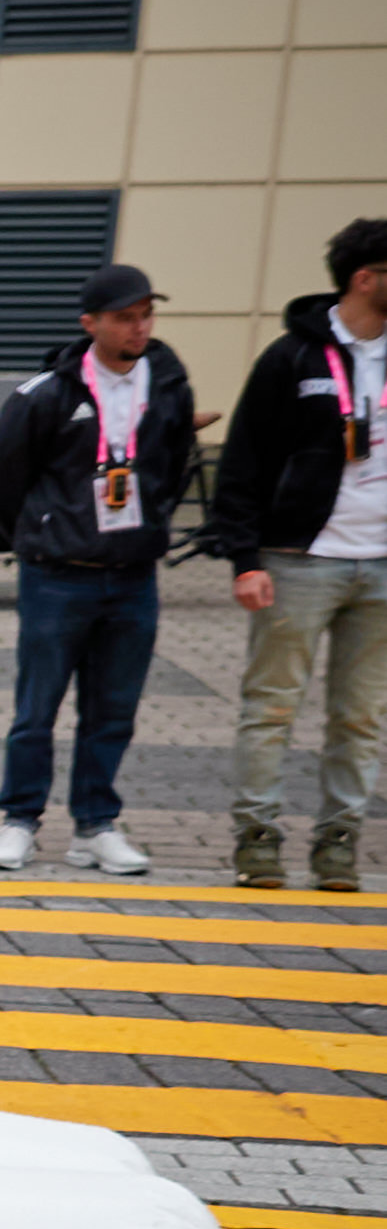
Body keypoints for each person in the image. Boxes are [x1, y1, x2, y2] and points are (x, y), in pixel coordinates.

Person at [0, 263, 200, 874]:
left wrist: (149, 523)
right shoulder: (47, 394)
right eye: (125, 317)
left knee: (113, 710)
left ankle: (95, 825)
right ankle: (19, 819)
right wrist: (43, 535)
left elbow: (174, 466)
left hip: (133, 575)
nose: (139, 327)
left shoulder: (169, 386)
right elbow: (4, 485)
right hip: (57, 574)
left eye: (145, 316)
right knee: (36, 708)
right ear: (91, 323)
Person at [204, 218, 387, 892]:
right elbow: (244, 462)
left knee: (361, 715)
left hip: (381, 564)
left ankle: (337, 842)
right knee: (271, 705)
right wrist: (242, 558)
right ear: (363, 277)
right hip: (298, 560)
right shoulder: (292, 358)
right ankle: (257, 838)